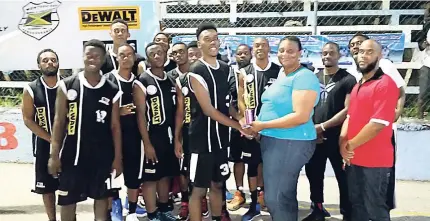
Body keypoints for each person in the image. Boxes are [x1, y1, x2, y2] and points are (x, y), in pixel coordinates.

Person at [48, 39, 123, 221]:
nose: (92, 59)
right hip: (72, 156)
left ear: (103, 59)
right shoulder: (67, 85)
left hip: (101, 156)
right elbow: (58, 122)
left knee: (101, 200)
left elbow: (115, 126)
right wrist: (54, 155)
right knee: (67, 202)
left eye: (97, 56)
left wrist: (118, 158)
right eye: (89, 55)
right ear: (82, 57)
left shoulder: (111, 89)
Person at [248, 36, 320, 221]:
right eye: (281, 50)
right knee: (283, 194)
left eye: (290, 51)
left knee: (277, 197)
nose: (284, 54)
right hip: (275, 140)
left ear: (300, 53)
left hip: (291, 141)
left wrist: (263, 125)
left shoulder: (304, 76)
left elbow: (301, 116)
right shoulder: (283, 74)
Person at [186, 23, 251, 221]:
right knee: (198, 190)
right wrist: (238, 125)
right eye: (208, 39)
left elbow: (226, 105)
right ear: (199, 44)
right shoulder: (195, 71)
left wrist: (241, 118)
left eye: (215, 38)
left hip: (221, 141)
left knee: (218, 185)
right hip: (200, 142)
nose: (213, 42)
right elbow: (209, 110)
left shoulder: (225, 69)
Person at [340, 39, 399, 221]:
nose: (363, 56)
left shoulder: (385, 84)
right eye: (360, 52)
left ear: (380, 56)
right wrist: (342, 142)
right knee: (357, 207)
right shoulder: (358, 85)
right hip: (354, 158)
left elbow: (377, 124)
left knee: (375, 208)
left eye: (369, 52)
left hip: (376, 162)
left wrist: (349, 145)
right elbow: (350, 117)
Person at [303, 42, 356, 221]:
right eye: (324, 53)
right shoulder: (313, 78)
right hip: (315, 137)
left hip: (338, 137)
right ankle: (317, 209)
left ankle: (347, 213)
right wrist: (312, 128)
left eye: (331, 53)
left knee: (344, 177)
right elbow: (306, 105)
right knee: (314, 174)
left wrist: (323, 126)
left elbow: (348, 109)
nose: (327, 56)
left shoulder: (348, 79)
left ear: (339, 55)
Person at [235, 37, 281, 221]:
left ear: (269, 48)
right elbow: (240, 98)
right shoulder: (244, 72)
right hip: (252, 129)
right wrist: (248, 123)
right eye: (256, 46)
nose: (260, 48)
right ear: (252, 49)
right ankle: (253, 204)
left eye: (263, 45)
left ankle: (270, 200)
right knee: (252, 166)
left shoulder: (279, 71)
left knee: (271, 167)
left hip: (273, 129)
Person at [133, 42, 179, 221]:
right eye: (153, 54)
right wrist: (147, 143)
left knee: (165, 175)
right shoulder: (142, 81)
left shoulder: (170, 80)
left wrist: (177, 138)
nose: (158, 56)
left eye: (160, 53)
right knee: (150, 178)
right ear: (148, 58)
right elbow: (141, 116)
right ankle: (152, 214)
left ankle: (164, 209)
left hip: (168, 136)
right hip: (151, 136)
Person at [105, 43, 146, 221]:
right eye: (122, 55)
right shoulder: (108, 79)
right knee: (112, 173)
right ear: (117, 58)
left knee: (133, 174)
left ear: (134, 58)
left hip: (133, 135)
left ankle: (131, 210)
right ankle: (114, 206)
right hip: (110, 135)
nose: (126, 58)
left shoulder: (138, 82)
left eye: (130, 55)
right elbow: (96, 107)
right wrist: (117, 111)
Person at [21, 49, 61, 221]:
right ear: (39, 65)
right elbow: (28, 120)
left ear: (58, 63)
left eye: (53, 59)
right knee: (47, 188)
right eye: (45, 60)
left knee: (69, 187)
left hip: (68, 144)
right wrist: (51, 139)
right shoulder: (31, 89)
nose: (50, 63)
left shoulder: (68, 85)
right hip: (44, 145)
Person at [227, 44, 252, 212]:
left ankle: (260, 193)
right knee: (238, 159)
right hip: (237, 123)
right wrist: (239, 120)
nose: (242, 56)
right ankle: (239, 192)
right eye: (239, 53)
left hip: (257, 124)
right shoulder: (229, 74)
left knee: (257, 161)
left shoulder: (256, 72)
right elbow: (227, 100)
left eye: (245, 53)